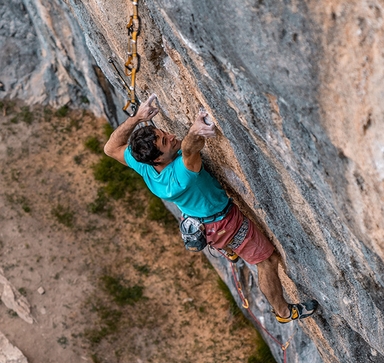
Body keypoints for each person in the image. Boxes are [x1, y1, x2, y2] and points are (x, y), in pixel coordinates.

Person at [104, 94, 318, 323]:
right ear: (157, 159)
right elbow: (188, 149)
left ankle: (229, 249)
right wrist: (196, 131)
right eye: (165, 142)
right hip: (225, 223)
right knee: (267, 261)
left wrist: (137, 118)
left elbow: (110, 147)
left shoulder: (144, 165)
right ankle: (283, 312)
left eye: (162, 134)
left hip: (201, 222)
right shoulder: (182, 174)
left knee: (230, 242)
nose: (170, 136)